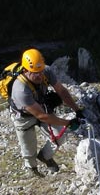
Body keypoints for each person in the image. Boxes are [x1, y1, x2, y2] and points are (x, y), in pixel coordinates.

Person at [9, 48, 84, 176]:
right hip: (23, 117)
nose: (39, 75)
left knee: (59, 135)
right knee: (29, 148)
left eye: (40, 71)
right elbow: (42, 116)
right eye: (35, 73)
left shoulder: (46, 71)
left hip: (41, 107)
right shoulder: (20, 89)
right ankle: (32, 169)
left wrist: (77, 110)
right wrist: (68, 122)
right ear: (25, 70)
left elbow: (62, 91)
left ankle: (45, 156)